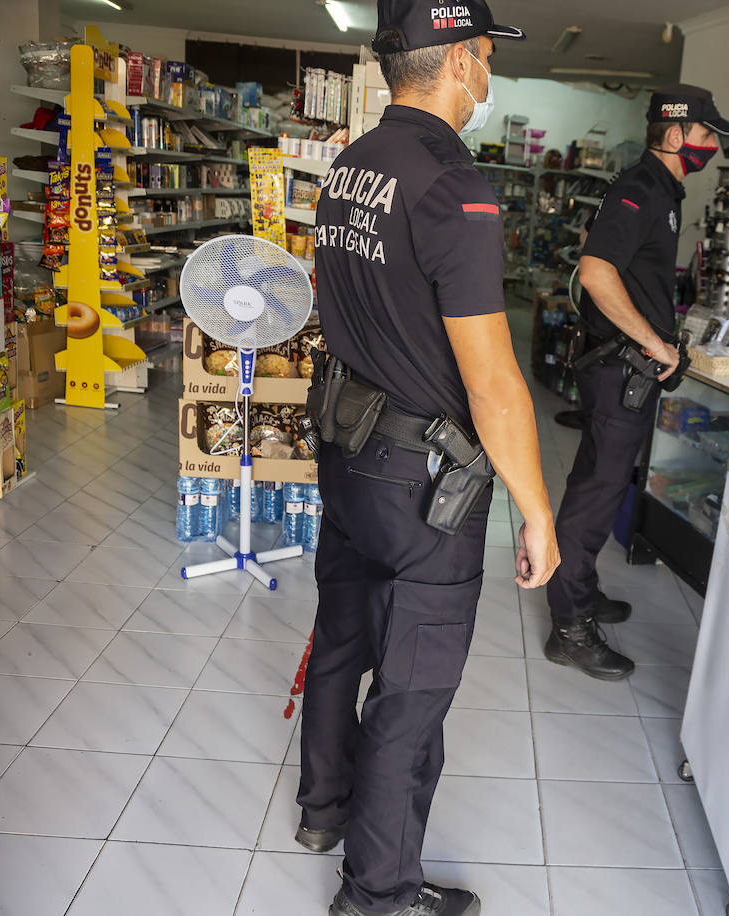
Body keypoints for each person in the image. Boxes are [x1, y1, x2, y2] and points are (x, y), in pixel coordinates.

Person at [296, 3, 557, 915]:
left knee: (340, 641)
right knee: (411, 695)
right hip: (425, 487)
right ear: (462, 63)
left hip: (348, 452)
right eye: (485, 60)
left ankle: (323, 808)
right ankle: (377, 895)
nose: (487, 77)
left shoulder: (352, 164)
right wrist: (538, 510)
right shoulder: (455, 185)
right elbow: (493, 383)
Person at [545, 86, 729, 680]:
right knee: (595, 494)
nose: (713, 146)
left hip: (625, 369)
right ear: (678, 135)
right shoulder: (641, 189)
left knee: (596, 483)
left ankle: (581, 588)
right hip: (621, 368)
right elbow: (597, 269)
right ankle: (570, 628)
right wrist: (655, 344)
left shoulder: (661, 191)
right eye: (708, 135)